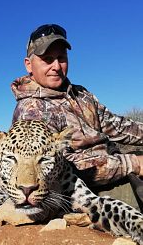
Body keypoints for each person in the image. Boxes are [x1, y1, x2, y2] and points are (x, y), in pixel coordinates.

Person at [11, 24, 143, 194]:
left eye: (61, 57)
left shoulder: (80, 94)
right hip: (87, 190)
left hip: (116, 164)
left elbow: (116, 126)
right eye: (47, 60)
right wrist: (135, 163)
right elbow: (63, 169)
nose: (57, 66)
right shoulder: (31, 110)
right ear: (29, 65)